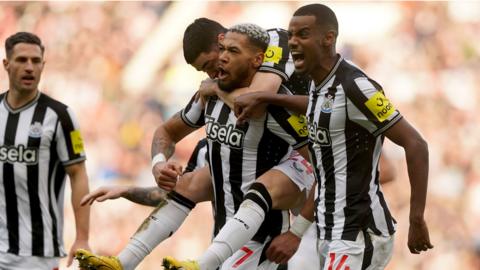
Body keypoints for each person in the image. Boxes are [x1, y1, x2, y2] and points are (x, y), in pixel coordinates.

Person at [76, 20, 314, 270]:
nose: (214, 71)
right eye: (207, 69)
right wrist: (150, 172)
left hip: (267, 242)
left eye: (228, 54)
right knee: (191, 181)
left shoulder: (271, 102)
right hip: (224, 241)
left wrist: (297, 232)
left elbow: (322, 168)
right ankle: (123, 262)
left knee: (261, 188)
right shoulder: (209, 109)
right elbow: (173, 176)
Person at [265, 4, 433, 270]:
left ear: (328, 38)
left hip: (360, 233)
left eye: (303, 35)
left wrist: (416, 218)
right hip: (328, 230)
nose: (293, 42)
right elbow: (314, 108)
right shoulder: (316, 83)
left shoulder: (356, 86)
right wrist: (266, 97)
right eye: (290, 35)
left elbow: (416, 143)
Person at [0, 32, 91, 269]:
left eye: (36, 61)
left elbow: (78, 172)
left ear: (43, 65)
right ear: (6, 65)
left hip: (37, 253)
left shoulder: (61, 116)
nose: (29, 67)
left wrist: (82, 237)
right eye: (21, 60)